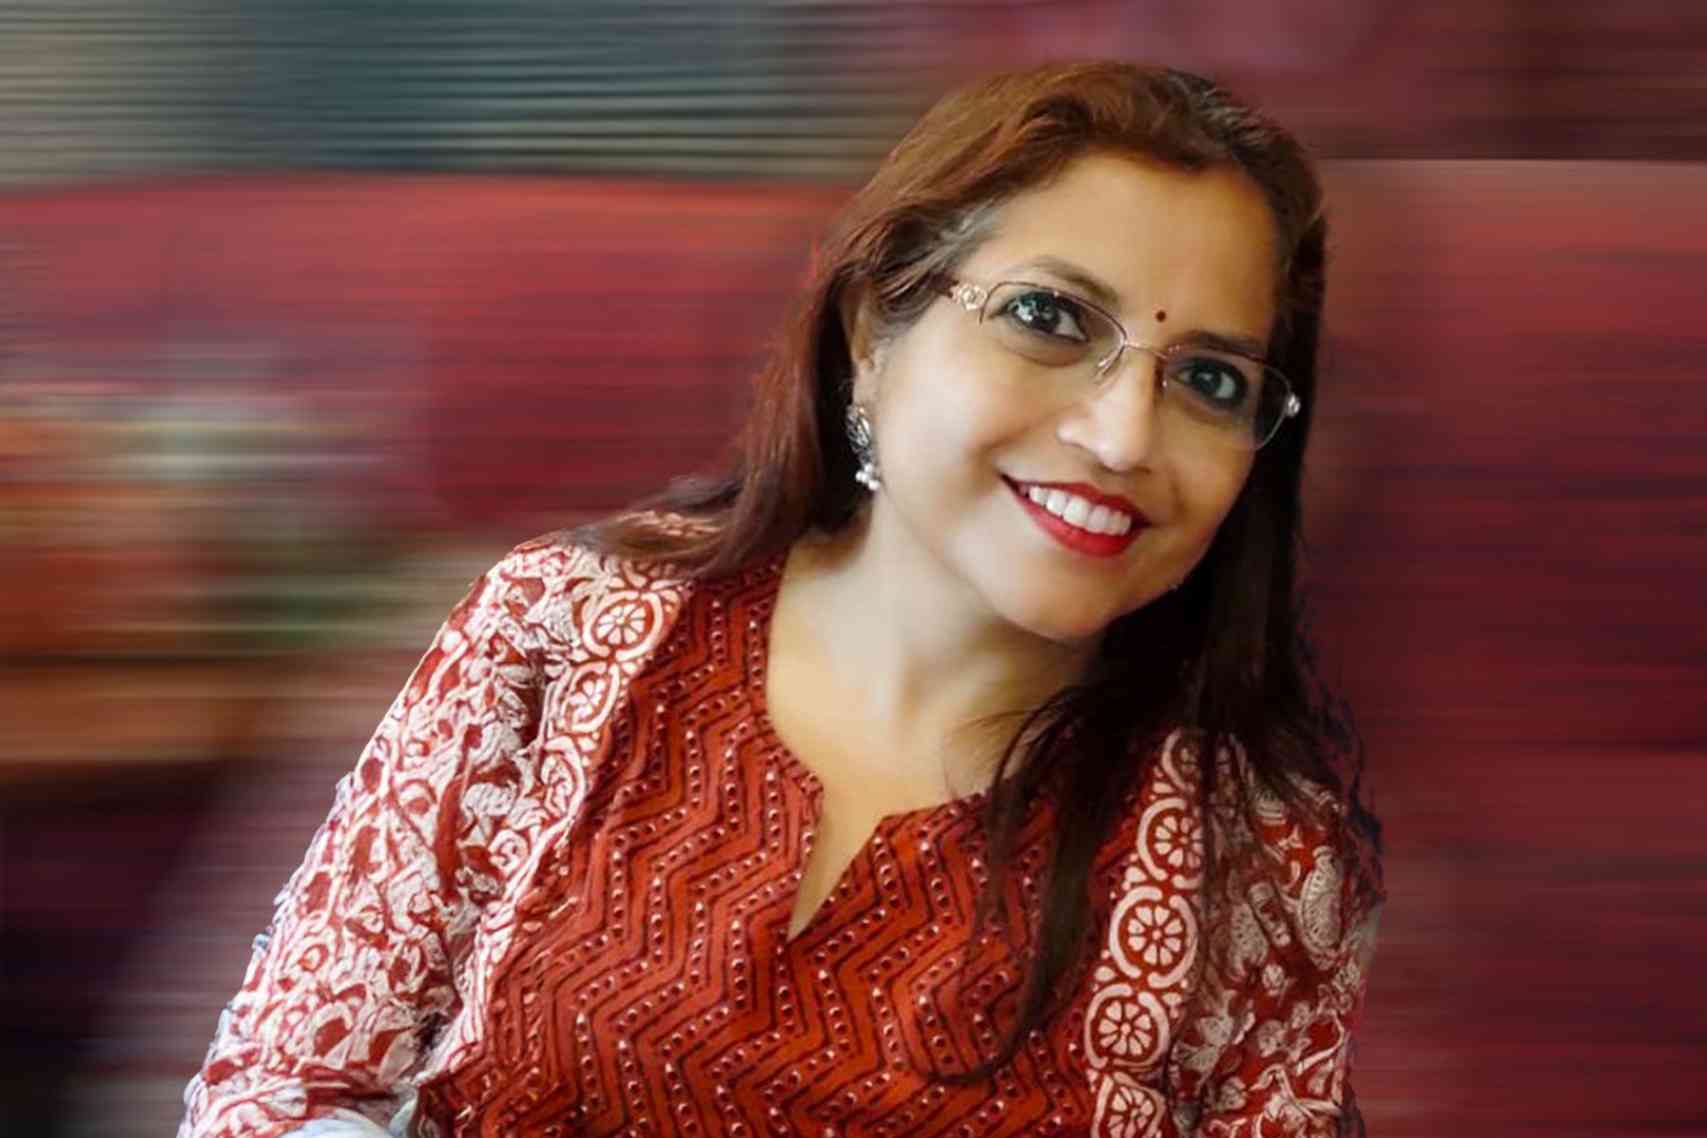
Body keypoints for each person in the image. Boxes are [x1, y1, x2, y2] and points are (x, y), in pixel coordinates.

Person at [179, 61, 1383, 1138]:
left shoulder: (1259, 869)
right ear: (872, 331)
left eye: (1209, 379)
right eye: (1048, 318)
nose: (1123, 436)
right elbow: (276, 1091)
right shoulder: (560, 630)